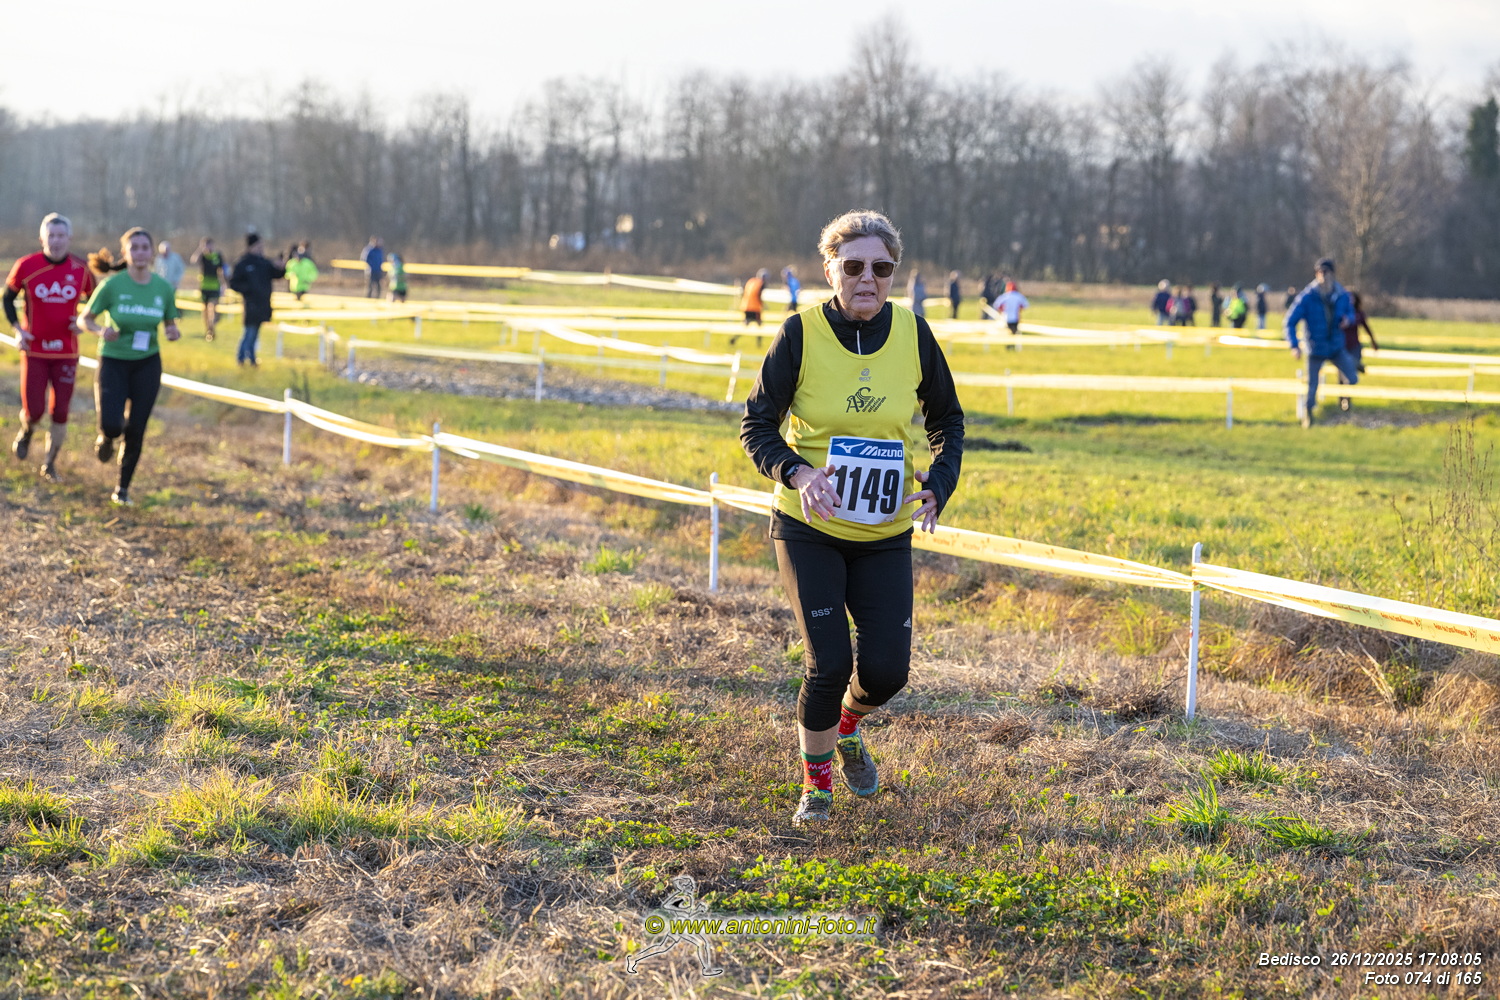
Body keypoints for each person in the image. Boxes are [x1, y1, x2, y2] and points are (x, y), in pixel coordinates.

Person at [740, 209, 964, 826]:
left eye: (882, 268)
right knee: (829, 663)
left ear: (894, 273)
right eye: (855, 266)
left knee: (888, 671)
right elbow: (757, 425)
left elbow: (947, 420)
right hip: (808, 526)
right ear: (830, 269)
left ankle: (847, 725)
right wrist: (798, 472)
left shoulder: (914, 334)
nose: (868, 278)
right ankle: (815, 787)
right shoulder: (799, 334)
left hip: (884, 532)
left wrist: (940, 482)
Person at [78, 228, 181, 506]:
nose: (140, 252)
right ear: (125, 253)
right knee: (112, 425)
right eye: (134, 247)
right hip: (113, 360)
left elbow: (170, 323)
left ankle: (122, 489)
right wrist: (100, 331)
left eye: (144, 247)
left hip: (147, 363)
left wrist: (172, 331)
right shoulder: (112, 285)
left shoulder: (162, 288)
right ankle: (107, 438)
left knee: (137, 428)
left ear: (152, 252)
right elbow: (84, 319)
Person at [4, 213, 96, 481]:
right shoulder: (26, 265)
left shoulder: (81, 269)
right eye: (51, 236)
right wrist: (18, 329)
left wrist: (84, 322)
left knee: (60, 412)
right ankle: (27, 430)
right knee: (34, 410)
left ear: (69, 238)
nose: (56, 241)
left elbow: (97, 301)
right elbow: (7, 298)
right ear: (42, 238)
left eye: (61, 236)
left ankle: (49, 463)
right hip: (35, 351)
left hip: (66, 352)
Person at [1285, 257, 1357, 428]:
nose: (1323, 275)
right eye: (1320, 272)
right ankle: (1308, 415)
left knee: (1352, 378)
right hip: (1315, 347)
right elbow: (1289, 322)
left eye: (1326, 272)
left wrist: (1348, 320)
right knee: (1312, 386)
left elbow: (1352, 314)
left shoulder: (1342, 295)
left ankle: (1345, 400)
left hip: (1336, 346)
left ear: (1333, 274)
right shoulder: (1307, 297)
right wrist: (1294, 345)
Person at [228, 234, 285, 367]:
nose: (261, 248)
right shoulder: (243, 263)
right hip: (251, 304)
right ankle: (242, 358)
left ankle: (251, 358)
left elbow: (276, 274)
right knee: (250, 332)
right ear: (251, 246)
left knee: (254, 333)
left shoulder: (264, 262)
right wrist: (249, 290)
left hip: (263, 304)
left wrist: (282, 267)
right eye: (258, 245)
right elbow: (234, 283)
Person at [1337, 291, 1380, 411]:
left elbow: (1366, 328)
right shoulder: (1340, 313)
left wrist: (1373, 341)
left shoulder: (1359, 314)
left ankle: (1347, 400)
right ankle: (1341, 401)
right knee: (1341, 375)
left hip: (1354, 346)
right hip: (1342, 347)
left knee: (1349, 374)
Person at [190, 238, 228, 341]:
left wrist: (224, 284)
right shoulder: (202, 256)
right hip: (204, 286)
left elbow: (222, 271)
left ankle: (212, 327)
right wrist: (200, 249)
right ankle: (208, 329)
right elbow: (193, 261)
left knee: (213, 307)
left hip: (215, 286)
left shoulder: (217, 256)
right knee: (205, 310)